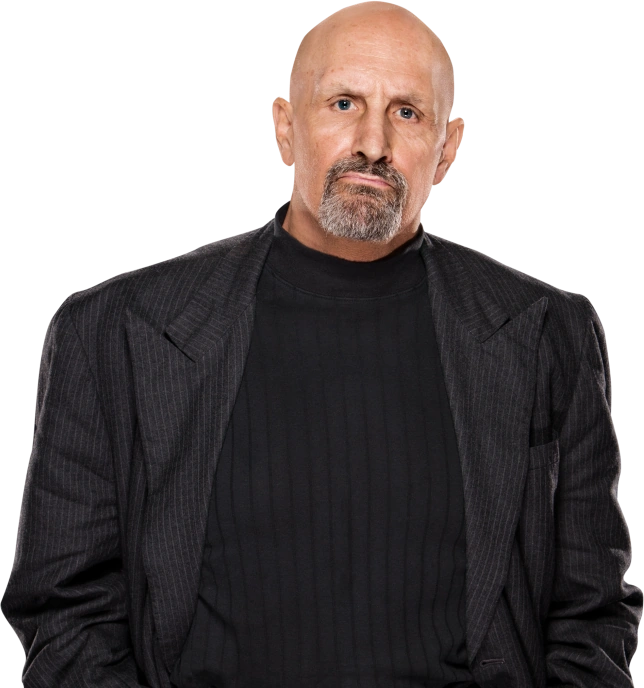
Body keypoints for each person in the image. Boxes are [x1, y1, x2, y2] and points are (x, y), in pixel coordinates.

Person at [2, 1, 641, 686]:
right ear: (285, 125)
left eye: (406, 112)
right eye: (343, 103)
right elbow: (66, 613)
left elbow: (592, 619)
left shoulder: (547, 335)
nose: (373, 142)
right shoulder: (113, 333)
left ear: (448, 146)